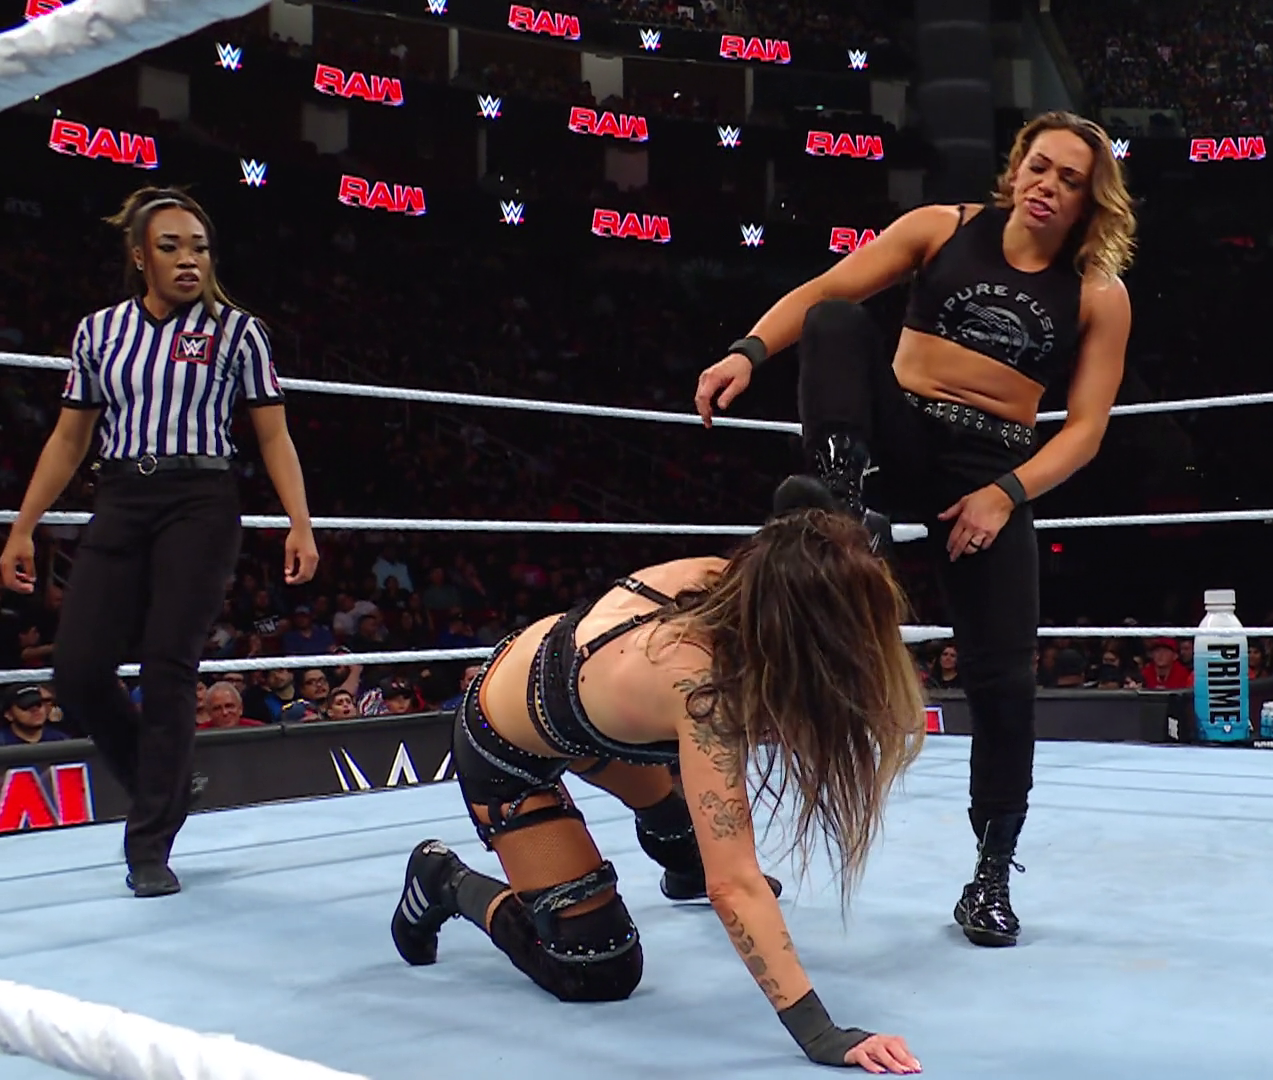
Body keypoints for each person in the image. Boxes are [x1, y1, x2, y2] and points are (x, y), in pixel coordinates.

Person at [693, 110, 1136, 948]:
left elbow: (1084, 430)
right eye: (1040, 167)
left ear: (1090, 200)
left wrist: (1004, 494)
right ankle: (841, 501)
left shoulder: (1098, 294)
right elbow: (821, 294)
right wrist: (747, 351)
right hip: (897, 441)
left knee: (1004, 678)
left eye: (1070, 179)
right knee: (835, 320)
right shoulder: (942, 228)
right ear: (1016, 169)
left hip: (990, 469)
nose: (1048, 186)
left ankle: (991, 876)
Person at [389, 507, 926, 1074]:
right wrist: (820, 1032)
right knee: (599, 965)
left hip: (571, 701)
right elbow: (734, 883)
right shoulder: (703, 693)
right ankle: (443, 880)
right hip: (505, 745)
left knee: (686, 827)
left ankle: (678, 859)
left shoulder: (736, 580)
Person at [0, 187, 318, 897]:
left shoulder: (238, 332)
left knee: (168, 663)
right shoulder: (99, 332)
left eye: (199, 247)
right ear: (141, 256)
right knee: (78, 669)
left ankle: (149, 843)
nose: (188, 260)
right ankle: (162, 778)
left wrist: (300, 521)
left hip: (200, 499)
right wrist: (22, 526)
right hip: (119, 496)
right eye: (171, 247)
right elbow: (70, 438)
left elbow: (273, 433)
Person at [0, 685, 67, 746]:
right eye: (26, 706)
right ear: (9, 715)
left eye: (38, 704)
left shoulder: (61, 740)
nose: (35, 710)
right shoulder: (3, 744)